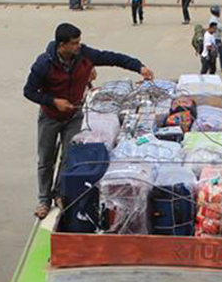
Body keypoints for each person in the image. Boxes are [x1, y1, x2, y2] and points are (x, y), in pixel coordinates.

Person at [24, 23, 152, 219]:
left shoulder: (83, 55)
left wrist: (139, 66)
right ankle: (43, 199)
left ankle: (59, 193)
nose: (78, 46)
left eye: (79, 42)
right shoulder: (44, 64)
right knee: (46, 159)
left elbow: (113, 58)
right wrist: (53, 101)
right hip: (50, 117)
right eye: (74, 44)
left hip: (74, 115)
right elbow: (29, 91)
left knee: (68, 158)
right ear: (62, 45)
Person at [207, 6, 222, 72]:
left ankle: (212, 67)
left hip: (216, 37)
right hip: (216, 38)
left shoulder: (214, 18)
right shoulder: (214, 20)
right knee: (220, 52)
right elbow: (221, 27)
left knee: (216, 53)